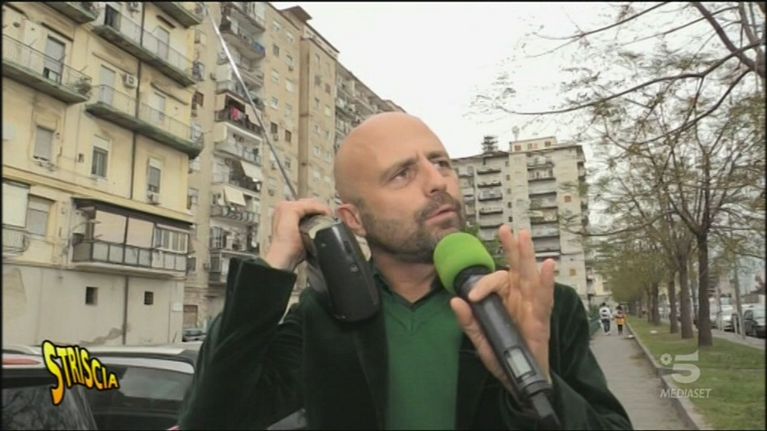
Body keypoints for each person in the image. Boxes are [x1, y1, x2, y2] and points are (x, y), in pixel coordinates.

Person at [178, 113, 632, 429]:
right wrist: (274, 266)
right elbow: (211, 420)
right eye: (402, 174)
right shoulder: (323, 317)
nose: (437, 182)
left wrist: (539, 385)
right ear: (353, 220)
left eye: (441, 163)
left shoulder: (535, 305)